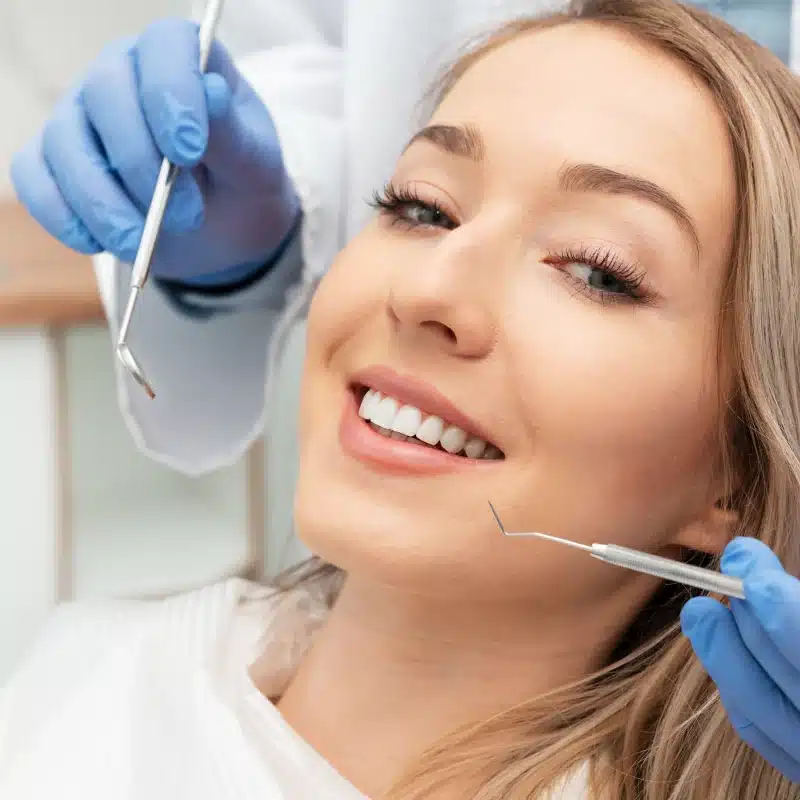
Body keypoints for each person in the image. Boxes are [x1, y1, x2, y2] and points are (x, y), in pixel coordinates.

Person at [3, 1, 800, 797]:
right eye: (422, 208)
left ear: (736, 474)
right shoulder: (78, 685)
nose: (429, 286)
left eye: (596, 270)